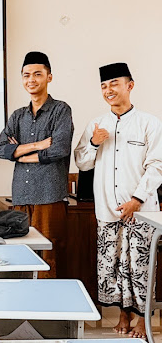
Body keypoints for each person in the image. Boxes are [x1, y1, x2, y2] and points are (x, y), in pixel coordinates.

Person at [75, 62, 162, 338]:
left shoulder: (149, 123)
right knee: (113, 265)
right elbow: (82, 162)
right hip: (108, 211)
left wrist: (137, 199)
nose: (108, 90)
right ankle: (123, 315)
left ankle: (140, 320)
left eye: (114, 84)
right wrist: (94, 142)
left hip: (141, 211)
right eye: (103, 85)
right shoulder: (96, 124)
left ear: (129, 86)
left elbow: (157, 165)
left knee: (140, 265)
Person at [0, 51, 73, 279]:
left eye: (38, 74)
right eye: (26, 75)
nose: (31, 79)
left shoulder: (61, 110)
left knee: (49, 254)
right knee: (21, 254)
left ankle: (48, 312)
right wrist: (37, 145)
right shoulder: (18, 116)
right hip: (21, 195)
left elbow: (59, 149)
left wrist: (19, 153)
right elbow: (1, 149)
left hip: (49, 194)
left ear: (49, 77)